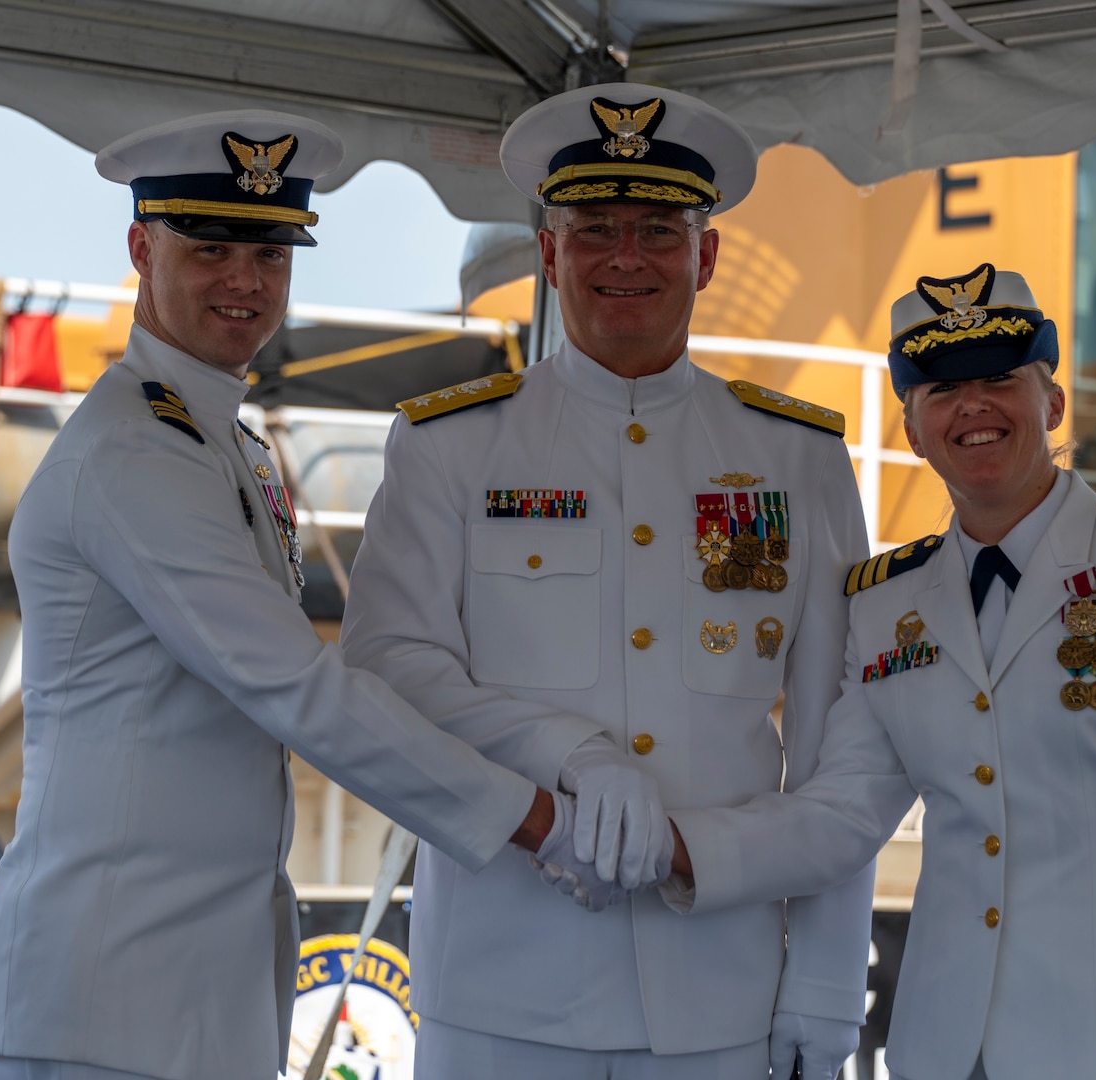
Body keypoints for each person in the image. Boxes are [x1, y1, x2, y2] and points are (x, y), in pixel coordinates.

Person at [0, 110, 648, 1080]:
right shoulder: (134, 454)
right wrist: (537, 820)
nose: (246, 281)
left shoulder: (220, 443)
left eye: (271, 252)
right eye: (211, 250)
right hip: (106, 1001)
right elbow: (295, 687)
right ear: (139, 248)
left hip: (191, 994)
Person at [664, 264, 1096, 1080]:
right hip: (943, 1051)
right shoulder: (885, 603)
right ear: (911, 428)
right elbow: (840, 814)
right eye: (939, 389)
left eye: (997, 379)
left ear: (1050, 404)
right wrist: (676, 846)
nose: (970, 404)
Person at [338, 84, 876, 1078]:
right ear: (548, 254)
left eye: (658, 230)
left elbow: (839, 747)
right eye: (593, 230)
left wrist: (830, 988)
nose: (625, 257)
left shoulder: (796, 461)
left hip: (721, 996)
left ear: (706, 256)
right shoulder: (451, 446)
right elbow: (386, 669)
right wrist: (572, 755)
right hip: (501, 997)